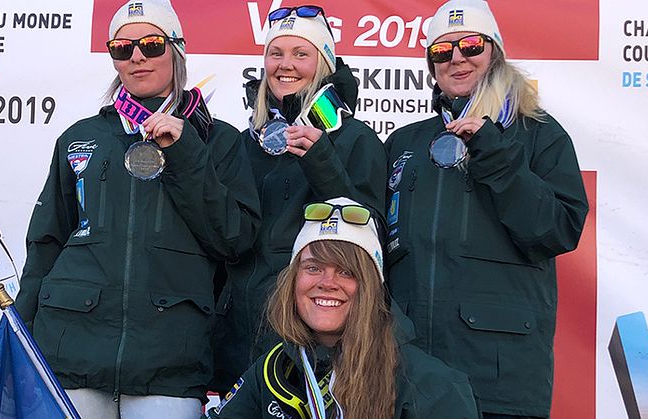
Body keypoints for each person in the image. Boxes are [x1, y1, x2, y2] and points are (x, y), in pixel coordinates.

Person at [14, 1, 260, 417]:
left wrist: (184, 154)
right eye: (122, 48)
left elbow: (233, 238)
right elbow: (46, 244)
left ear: (176, 49)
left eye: (151, 43)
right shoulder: (80, 137)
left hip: (169, 362)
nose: (137, 57)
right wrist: (20, 333)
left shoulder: (220, 141)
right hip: (72, 355)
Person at [383, 0, 589, 418]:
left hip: (499, 379)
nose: (457, 58)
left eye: (471, 45)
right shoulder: (404, 142)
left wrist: (495, 153)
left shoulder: (538, 133)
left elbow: (557, 231)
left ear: (494, 51)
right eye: (442, 51)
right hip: (408, 372)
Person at [212, 5, 386, 392]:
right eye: (276, 53)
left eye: (300, 54)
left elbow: (368, 236)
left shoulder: (356, 139)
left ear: (323, 63)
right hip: (237, 340)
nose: (285, 65)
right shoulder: (244, 143)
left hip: (312, 339)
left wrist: (321, 161)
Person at [207, 197, 479, 419]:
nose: (327, 283)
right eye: (313, 268)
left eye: (347, 272)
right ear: (292, 280)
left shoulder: (431, 385)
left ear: (371, 287)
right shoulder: (274, 368)